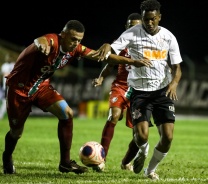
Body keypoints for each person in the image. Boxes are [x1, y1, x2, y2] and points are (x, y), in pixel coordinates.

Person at [2, 19, 152, 175]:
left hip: (41, 87)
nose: (75, 43)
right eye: (73, 39)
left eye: (79, 40)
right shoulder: (52, 41)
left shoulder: (76, 49)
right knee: (16, 133)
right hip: (18, 90)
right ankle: (7, 157)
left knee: (67, 113)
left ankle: (65, 163)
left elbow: (103, 57)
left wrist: (133, 61)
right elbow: (41, 40)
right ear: (63, 34)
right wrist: (40, 44)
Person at [96, 0, 182, 180]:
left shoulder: (169, 37)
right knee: (141, 137)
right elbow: (112, 52)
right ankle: (142, 151)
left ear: (159, 17)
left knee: (167, 138)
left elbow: (177, 67)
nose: (149, 23)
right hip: (140, 92)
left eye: (152, 19)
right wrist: (106, 46)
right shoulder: (132, 33)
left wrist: (173, 83)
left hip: (162, 92)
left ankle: (150, 170)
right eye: (145, 20)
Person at [92, 13, 143, 172]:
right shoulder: (121, 43)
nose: (132, 28)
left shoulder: (148, 44)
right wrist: (101, 78)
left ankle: (126, 162)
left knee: (140, 133)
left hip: (140, 90)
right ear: (126, 27)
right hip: (120, 86)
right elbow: (110, 64)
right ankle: (101, 159)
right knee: (113, 116)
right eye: (129, 25)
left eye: (135, 25)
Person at [0, 54, 15, 119]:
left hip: (13, 86)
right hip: (6, 86)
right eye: (7, 57)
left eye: (9, 57)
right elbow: (5, 74)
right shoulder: (4, 66)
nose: (8, 59)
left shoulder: (13, 65)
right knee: (5, 102)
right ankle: (1, 116)